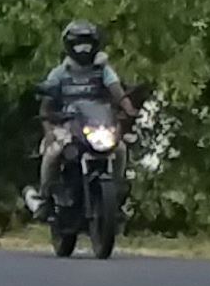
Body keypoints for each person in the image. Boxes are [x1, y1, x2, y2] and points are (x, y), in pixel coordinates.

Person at [33, 21, 139, 210]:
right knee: (54, 152)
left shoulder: (104, 70)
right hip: (67, 126)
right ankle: (45, 198)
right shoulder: (59, 73)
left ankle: (115, 195)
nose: (83, 50)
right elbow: (45, 108)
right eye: (79, 44)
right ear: (69, 46)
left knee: (120, 149)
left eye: (87, 44)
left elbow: (117, 92)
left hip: (98, 125)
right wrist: (48, 132)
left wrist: (129, 108)